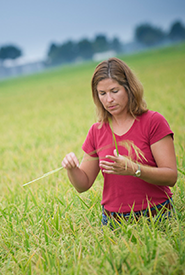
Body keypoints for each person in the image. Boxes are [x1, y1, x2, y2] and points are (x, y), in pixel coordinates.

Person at [61, 57, 177, 226]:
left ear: (129, 89)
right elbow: (83, 184)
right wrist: (72, 169)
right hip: (114, 221)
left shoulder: (153, 121)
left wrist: (134, 169)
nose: (109, 99)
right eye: (102, 94)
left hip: (156, 214)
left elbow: (171, 176)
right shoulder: (96, 131)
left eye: (114, 91)